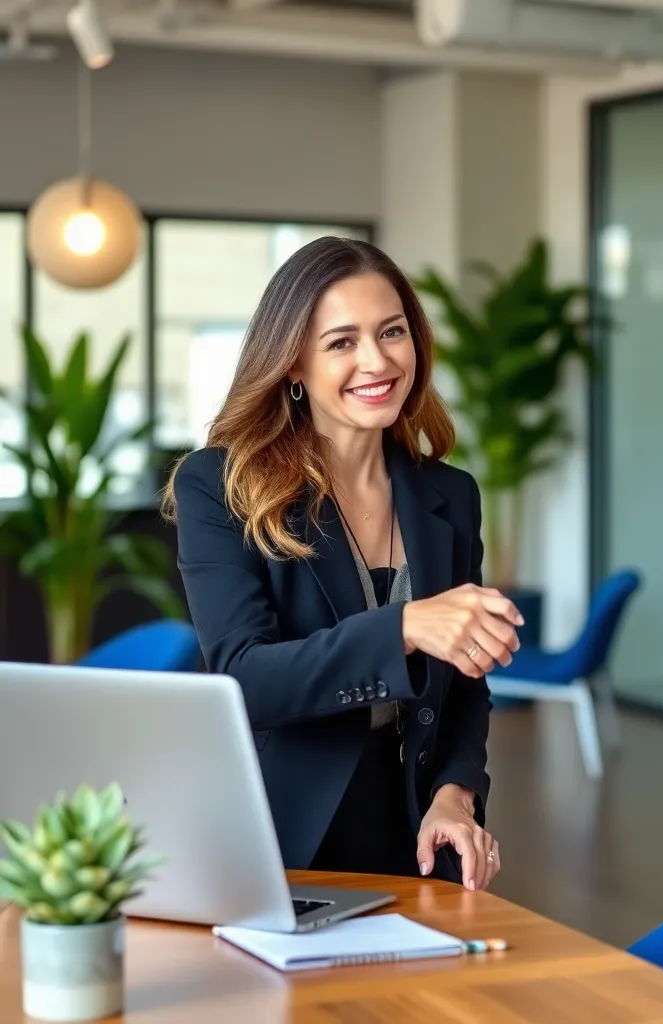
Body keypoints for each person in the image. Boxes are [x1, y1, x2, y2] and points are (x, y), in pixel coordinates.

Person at [162, 236, 521, 891]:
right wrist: (404, 627)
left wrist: (457, 793)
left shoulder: (451, 495)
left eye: (392, 332)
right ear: (293, 364)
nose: (377, 360)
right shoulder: (219, 484)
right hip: (282, 837)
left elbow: (466, 685)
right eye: (341, 342)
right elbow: (243, 679)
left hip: (417, 833)